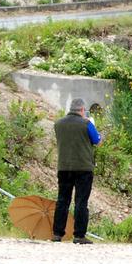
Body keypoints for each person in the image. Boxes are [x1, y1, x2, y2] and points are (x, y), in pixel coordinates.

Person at [52, 98, 101, 244]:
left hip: (64, 167)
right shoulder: (87, 124)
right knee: (81, 201)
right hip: (83, 168)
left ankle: (57, 234)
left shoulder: (58, 124)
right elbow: (97, 141)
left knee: (62, 200)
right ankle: (79, 235)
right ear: (81, 110)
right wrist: (93, 125)